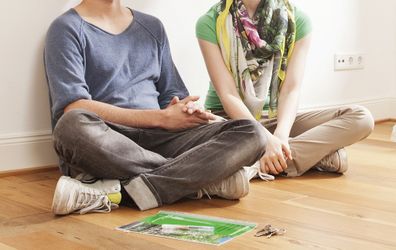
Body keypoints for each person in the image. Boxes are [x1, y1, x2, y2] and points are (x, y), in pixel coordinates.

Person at [44, 0, 268, 215]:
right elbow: (74, 105)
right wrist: (160, 118)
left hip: (162, 138)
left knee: (252, 132)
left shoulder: (151, 27)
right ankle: (202, 182)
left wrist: (186, 110)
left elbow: (172, 95)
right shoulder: (65, 28)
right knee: (70, 126)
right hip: (109, 140)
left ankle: (122, 191)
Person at [196, 0, 374, 178]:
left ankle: (258, 166)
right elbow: (228, 95)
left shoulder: (298, 21)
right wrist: (264, 138)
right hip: (232, 121)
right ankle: (311, 157)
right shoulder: (210, 22)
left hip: (275, 118)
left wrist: (280, 136)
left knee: (361, 118)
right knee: (199, 140)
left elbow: (290, 89)